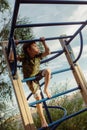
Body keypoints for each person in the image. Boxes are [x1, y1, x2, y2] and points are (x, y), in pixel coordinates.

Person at [9, 37, 51, 128]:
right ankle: (43, 121)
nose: (37, 47)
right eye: (35, 46)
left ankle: (46, 89)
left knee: (48, 71)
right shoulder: (25, 57)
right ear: (29, 50)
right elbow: (11, 59)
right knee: (38, 98)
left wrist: (44, 42)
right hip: (30, 80)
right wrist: (14, 46)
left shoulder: (38, 56)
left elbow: (48, 52)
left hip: (37, 74)